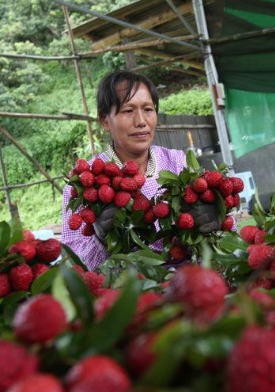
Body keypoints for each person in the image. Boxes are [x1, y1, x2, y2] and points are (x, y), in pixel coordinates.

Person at [61, 71, 219, 271]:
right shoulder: (85, 183)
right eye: (128, 111)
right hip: (126, 291)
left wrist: (214, 218)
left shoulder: (179, 163)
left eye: (148, 109)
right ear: (105, 120)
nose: (141, 121)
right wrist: (99, 240)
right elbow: (74, 263)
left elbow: (220, 238)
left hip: (187, 284)